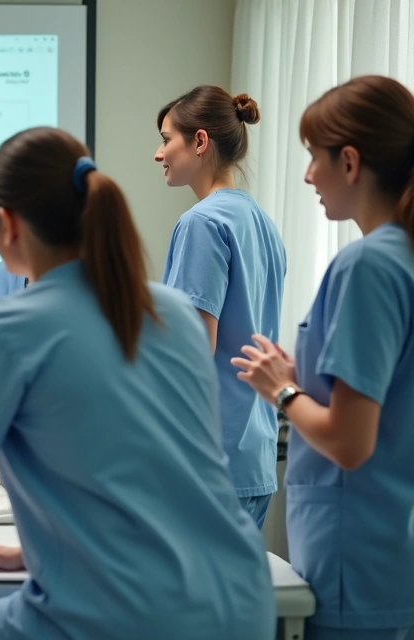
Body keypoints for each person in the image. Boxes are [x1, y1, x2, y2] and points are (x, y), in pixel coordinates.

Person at [0, 127, 274, 639]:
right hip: (241, 601)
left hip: (123, 615)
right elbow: (157, 478)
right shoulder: (174, 313)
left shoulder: (2, 333)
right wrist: (35, 552)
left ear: (7, 223)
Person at [233, 74, 414, 640]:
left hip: (354, 559)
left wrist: (281, 390)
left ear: (352, 161)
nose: (309, 174)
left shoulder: (368, 266)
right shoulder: (401, 257)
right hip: (386, 549)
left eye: (315, 157)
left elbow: (349, 441)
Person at [155, 85, 287, 528]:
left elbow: (191, 348)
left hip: (207, 461)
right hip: (254, 457)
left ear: (199, 141)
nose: (159, 154)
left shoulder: (202, 223)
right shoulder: (263, 224)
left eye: (167, 138)